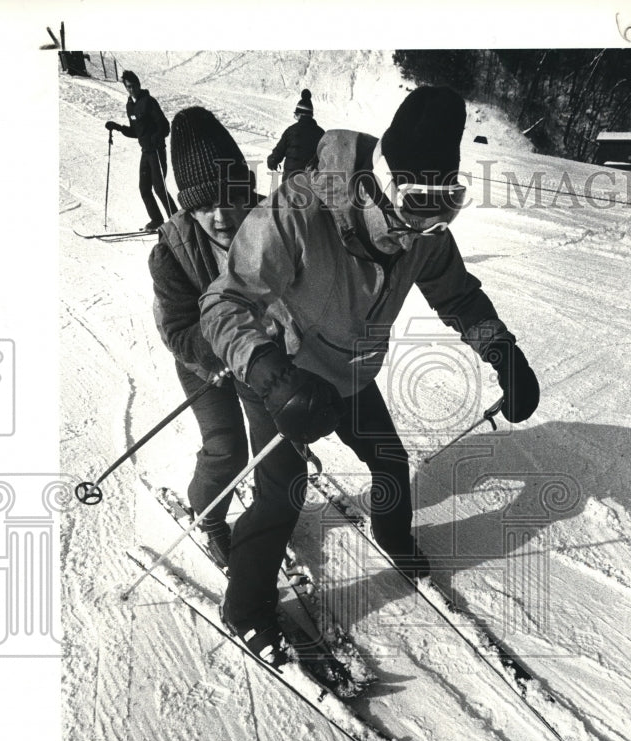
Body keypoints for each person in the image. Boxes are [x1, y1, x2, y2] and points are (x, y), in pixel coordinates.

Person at [199, 85, 540, 665]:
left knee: (388, 458)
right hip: (280, 374)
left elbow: (458, 296)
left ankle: (394, 537)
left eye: (446, 203)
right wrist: (271, 374)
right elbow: (222, 305)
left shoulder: (424, 233)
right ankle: (247, 609)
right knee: (282, 494)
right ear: (378, 184)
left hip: (350, 373)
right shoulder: (298, 212)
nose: (425, 225)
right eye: (416, 204)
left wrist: (503, 352)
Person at [148, 106, 260, 565]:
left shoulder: (271, 226)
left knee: (279, 438)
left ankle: (273, 508)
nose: (219, 216)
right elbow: (176, 330)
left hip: (257, 350)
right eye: (201, 204)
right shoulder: (171, 253)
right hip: (204, 362)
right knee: (227, 449)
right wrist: (220, 350)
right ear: (187, 206)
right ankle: (211, 517)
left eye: (229, 197)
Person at [106, 70, 178, 230]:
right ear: (125, 88)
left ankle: (178, 221)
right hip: (145, 152)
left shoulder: (149, 102)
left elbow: (165, 127)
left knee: (159, 188)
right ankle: (157, 220)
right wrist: (118, 127)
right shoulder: (130, 106)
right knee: (144, 188)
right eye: (129, 87)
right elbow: (135, 131)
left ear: (139, 84)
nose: (132, 89)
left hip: (157, 151)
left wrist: (155, 138)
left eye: (134, 85)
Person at [266, 88, 325, 178]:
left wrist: (272, 161)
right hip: (311, 182)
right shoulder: (321, 133)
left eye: (296, 115)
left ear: (300, 115)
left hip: (290, 181)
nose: (295, 117)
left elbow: (278, 152)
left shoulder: (291, 131)